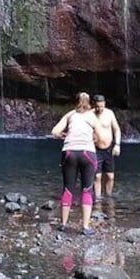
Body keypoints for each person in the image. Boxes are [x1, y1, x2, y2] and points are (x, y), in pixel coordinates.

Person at [51, 92, 108, 235]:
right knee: (87, 189)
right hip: (87, 153)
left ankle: (63, 224)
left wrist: (63, 136)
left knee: (68, 188)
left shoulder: (70, 115)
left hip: (69, 152)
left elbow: (54, 131)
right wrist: (94, 140)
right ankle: (86, 227)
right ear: (90, 103)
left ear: (74, 102)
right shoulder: (92, 117)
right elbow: (103, 139)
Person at [92, 94, 122, 201]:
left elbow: (116, 129)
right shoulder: (90, 115)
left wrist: (117, 144)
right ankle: (98, 199)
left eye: (101, 106)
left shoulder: (109, 113)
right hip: (95, 149)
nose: (99, 109)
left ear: (104, 104)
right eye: (97, 107)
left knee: (110, 176)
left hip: (109, 148)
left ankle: (108, 196)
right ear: (93, 105)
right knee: (97, 176)